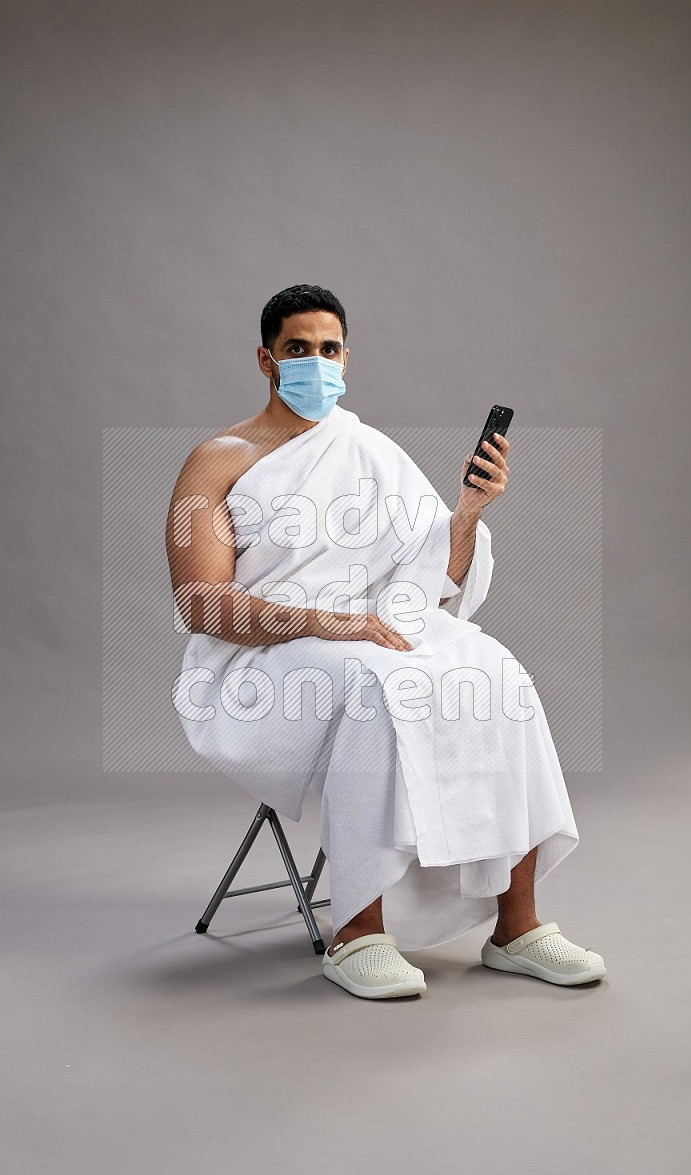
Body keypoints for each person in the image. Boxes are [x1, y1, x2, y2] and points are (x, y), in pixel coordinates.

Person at [166, 283, 606, 1001]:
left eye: (328, 348)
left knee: (495, 669)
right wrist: (327, 622)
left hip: (369, 630)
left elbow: (431, 585)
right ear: (265, 358)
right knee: (375, 684)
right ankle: (358, 932)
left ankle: (516, 927)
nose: (316, 362)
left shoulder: (368, 450)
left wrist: (467, 512)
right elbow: (202, 604)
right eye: (297, 349)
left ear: (348, 357)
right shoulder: (217, 460)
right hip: (258, 659)